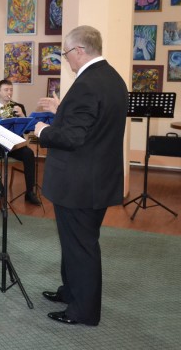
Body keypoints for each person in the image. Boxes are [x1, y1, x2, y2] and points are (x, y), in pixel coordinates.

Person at [34, 25, 128, 327]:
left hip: (79, 182)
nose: (67, 60)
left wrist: (43, 131)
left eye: (66, 54)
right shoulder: (112, 78)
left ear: (79, 50)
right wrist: (62, 111)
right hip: (98, 178)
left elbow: (73, 138)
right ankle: (70, 292)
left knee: (81, 246)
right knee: (76, 241)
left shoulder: (86, 83)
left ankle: (83, 311)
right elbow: (91, 124)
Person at [0, 79, 41, 205]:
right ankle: (0, 188)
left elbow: (27, 130)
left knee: (29, 154)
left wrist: (22, 115)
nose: (9, 92)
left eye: (11, 90)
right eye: (6, 90)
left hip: (15, 144)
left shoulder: (19, 107)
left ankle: (30, 192)